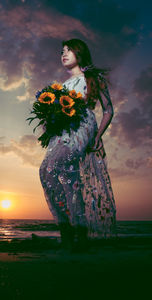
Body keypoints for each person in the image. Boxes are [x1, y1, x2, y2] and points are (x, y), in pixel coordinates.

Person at [39, 38, 117, 253]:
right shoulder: (61, 87)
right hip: (61, 132)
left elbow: (108, 110)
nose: (63, 54)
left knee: (56, 167)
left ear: (79, 53)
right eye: (61, 51)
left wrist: (98, 136)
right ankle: (71, 233)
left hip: (82, 127)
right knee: (48, 173)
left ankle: (77, 235)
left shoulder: (92, 78)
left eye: (68, 50)